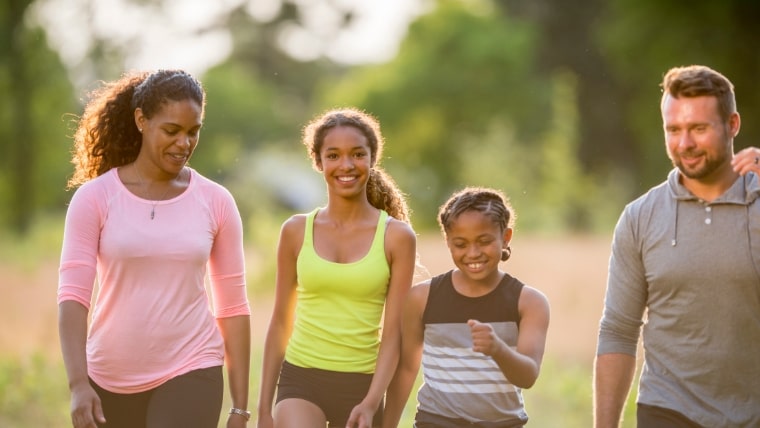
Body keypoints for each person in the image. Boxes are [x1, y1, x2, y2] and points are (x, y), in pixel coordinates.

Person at [58, 69, 252, 428]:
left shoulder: (216, 201)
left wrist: (240, 407)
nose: (184, 144)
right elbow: (73, 297)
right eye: (172, 131)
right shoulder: (95, 198)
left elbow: (234, 307)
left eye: (193, 132)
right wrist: (78, 384)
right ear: (141, 120)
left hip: (193, 365)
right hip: (108, 378)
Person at [594, 65, 760, 428]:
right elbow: (618, 331)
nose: (684, 144)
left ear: (732, 125)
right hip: (668, 410)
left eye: (698, 129)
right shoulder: (640, 217)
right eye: (673, 129)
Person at [256, 107, 417, 428]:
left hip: (361, 386)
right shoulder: (295, 230)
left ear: (373, 158)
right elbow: (279, 323)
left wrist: (371, 403)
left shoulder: (397, 237)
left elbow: (394, 334)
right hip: (300, 378)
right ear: (318, 161)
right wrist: (262, 410)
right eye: (333, 155)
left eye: (357, 154)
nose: (346, 165)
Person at [384, 186, 550, 428]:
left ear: (506, 237)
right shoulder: (422, 297)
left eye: (484, 241)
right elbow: (407, 368)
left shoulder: (530, 302)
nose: (473, 253)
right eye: (460, 244)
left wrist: (498, 349)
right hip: (436, 421)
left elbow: (528, 376)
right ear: (448, 242)